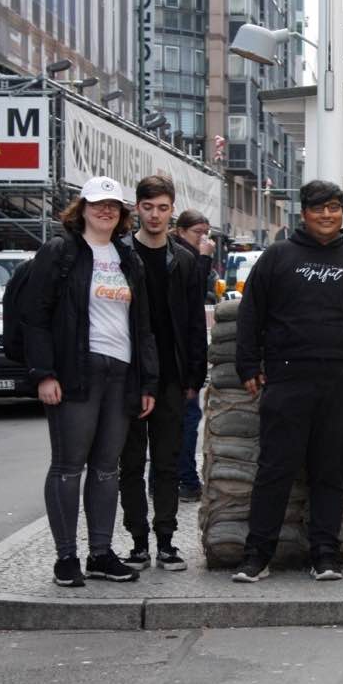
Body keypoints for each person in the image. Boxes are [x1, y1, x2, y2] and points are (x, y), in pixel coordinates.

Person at [232, 181, 343, 583]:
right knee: (274, 470)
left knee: (330, 472)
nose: (327, 215)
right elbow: (251, 314)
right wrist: (248, 366)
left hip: (342, 383)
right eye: (319, 208)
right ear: (304, 213)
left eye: (334, 208)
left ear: (341, 213)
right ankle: (257, 556)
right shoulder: (277, 257)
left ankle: (324, 554)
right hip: (287, 380)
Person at [22, 177, 158, 587]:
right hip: (75, 373)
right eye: (98, 204)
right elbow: (36, 317)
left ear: (121, 214)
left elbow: (144, 326)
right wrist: (44, 374)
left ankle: (100, 553)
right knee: (68, 466)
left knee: (106, 469)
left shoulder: (127, 258)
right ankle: (66, 558)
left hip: (120, 373)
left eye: (113, 206)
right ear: (81, 208)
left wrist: (147, 382)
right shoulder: (60, 252)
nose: (106, 211)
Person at [119, 176, 208, 573]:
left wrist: (194, 376)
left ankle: (167, 541)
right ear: (137, 208)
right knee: (131, 463)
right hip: (129, 374)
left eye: (163, 208)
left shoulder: (184, 259)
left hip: (172, 376)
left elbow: (192, 324)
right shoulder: (118, 253)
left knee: (169, 462)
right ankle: (138, 542)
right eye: (148, 207)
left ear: (172, 211)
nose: (155, 215)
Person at [172, 209, 216, 503]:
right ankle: (186, 480)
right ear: (181, 230)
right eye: (197, 232)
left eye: (205, 233)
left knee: (183, 419)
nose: (203, 238)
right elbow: (194, 293)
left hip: (188, 352)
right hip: (182, 355)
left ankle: (169, 479)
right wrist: (204, 257)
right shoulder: (181, 257)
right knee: (187, 420)